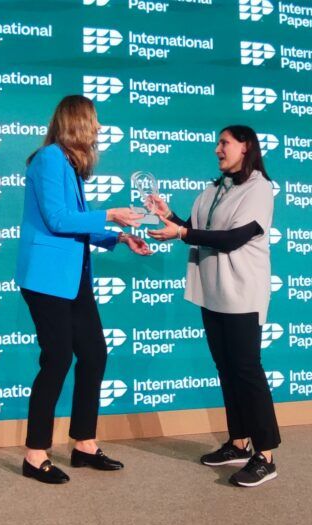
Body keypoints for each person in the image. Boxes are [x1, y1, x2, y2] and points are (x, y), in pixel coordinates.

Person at [15, 95, 151, 484]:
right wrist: (110, 214)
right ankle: (35, 454)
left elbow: (75, 223)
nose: (99, 128)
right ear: (77, 122)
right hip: (46, 279)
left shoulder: (69, 165)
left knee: (93, 354)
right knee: (57, 359)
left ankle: (84, 445)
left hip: (72, 278)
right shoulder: (48, 159)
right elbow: (58, 220)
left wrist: (118, 237)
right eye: (94, 121)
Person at [147, 125, 280, 488]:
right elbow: (196, 229)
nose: (217, 149)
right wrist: (170, 216)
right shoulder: (214, 188)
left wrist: (182, 232)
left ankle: (266, 455)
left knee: (247, 370)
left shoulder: (259, 189)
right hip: (212, 292)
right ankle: (238, 442)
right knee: (227, 369)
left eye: (224, 143)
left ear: (245, 147)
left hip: (241, 293)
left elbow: (234, 238)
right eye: (218, 143)